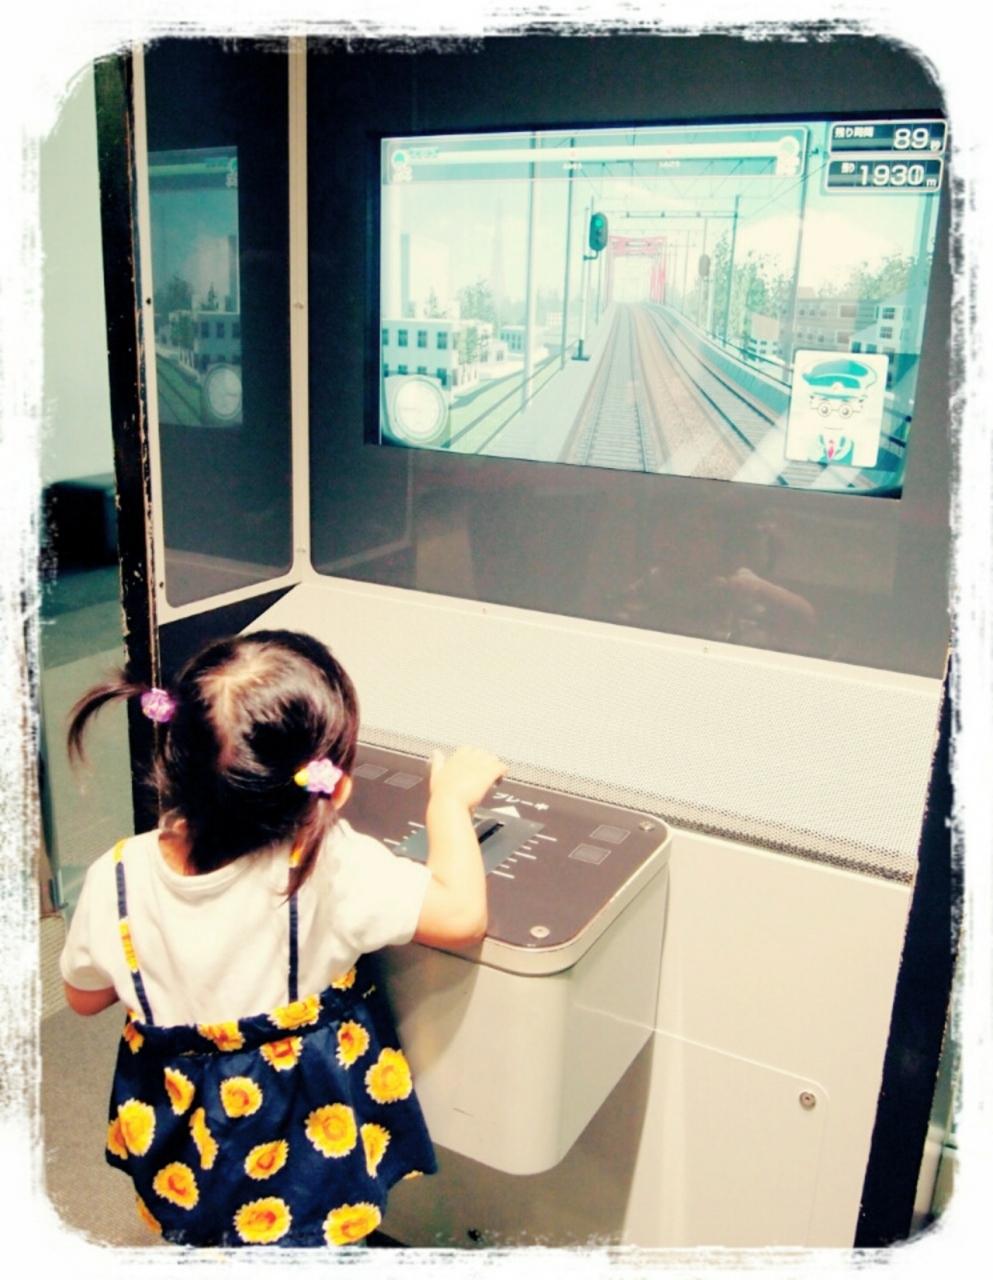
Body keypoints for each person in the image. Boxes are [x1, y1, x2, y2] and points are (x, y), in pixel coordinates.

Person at [59, 628, 505, 1248]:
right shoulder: (326, 867)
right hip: (298, 1143)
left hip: (188, 1144)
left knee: (208, 1236)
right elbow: (461, 916)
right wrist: (449, 805)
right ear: (334, 787)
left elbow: (83, 997)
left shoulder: (117, 874)